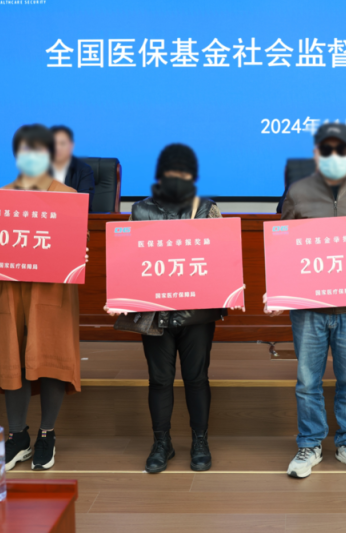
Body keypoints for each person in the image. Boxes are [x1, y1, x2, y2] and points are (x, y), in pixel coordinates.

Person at [0, 124, 83, 472]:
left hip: (51, 290)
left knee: (50, 355)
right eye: (25, 150)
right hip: (9, 289)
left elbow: (75, 247)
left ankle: (47, 433)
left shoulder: (67, 196)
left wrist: (79, 251)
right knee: (13, 356)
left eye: (39, 151)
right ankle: (18, 435)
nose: (31, 157)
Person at [271, 123, 346, 479]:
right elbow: (283, 249)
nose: (333, 155)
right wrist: (277, 290)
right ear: (316, 153)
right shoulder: (297, 192)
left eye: (340, 149)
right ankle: (310, 443)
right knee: (308, 382)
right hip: (308, 309)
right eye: (326, 149)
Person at [105, 143, 225, 474]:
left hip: (197, 312)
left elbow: (222, 259)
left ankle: (200, 441)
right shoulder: (140, 210)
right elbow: (127, 261)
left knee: (196, 378)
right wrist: (119, 297)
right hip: (153, 313)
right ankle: (162, 443)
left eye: (183, 172)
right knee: (159, 380)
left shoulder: (207, 208)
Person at [50, 125, 95, 212]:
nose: (58, 148)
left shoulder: (84, 170)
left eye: (62, 144)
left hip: (71, 217)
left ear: (71, 146)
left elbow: (84, 203)